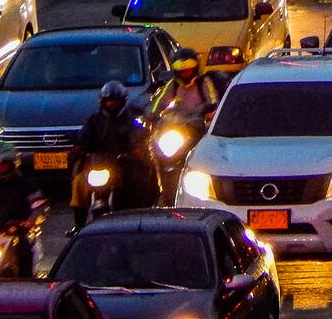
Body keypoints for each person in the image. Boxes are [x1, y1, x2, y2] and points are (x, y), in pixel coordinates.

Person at [69, 80, 153, 232]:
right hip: (96, 165)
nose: (111, 104)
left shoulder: (131, 121)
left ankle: (135, 216)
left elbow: (140, 135)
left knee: (136, 182)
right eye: (108, 100)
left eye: (115, 101)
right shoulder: (93, 120)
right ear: (102, 101)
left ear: (122, 101)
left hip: (123, 166)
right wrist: (79, 148)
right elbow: (83, 137)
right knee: (78, 184)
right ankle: (79, 226)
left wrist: (136, 149)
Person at [0, 142, 47, 277]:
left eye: (4, 164)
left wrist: (30, 220)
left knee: (24, 250)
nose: (0, 167)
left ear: (12, 163)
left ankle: (26, 280)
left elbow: (38, 205)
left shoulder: (24, 184)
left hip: (17, 232)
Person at [166, 49, 222, 125]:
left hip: (198, 124)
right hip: (176, 124)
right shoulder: (173, 84)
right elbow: (158, 102)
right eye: (181, 70)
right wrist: (151, 114)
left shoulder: (204, 82)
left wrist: (208, 113)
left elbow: (214, 101)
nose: (185, 73)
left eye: (188, 69)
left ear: (195, 68)